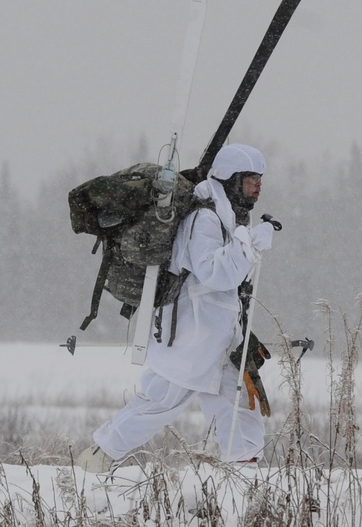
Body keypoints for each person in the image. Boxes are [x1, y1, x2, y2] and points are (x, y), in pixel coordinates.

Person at [75, 143, 277, 472]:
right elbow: (214, 274)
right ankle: (97, 458)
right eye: (250, 178)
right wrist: (250, 244)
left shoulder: (228, 216)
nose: (258, 185)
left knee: (236, 395)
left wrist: (240, 330)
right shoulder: (205, 219)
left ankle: (245, 466)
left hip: (218, 333)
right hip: (191, 334)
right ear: (229, 178)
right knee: (160, 401)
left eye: (259, 179)